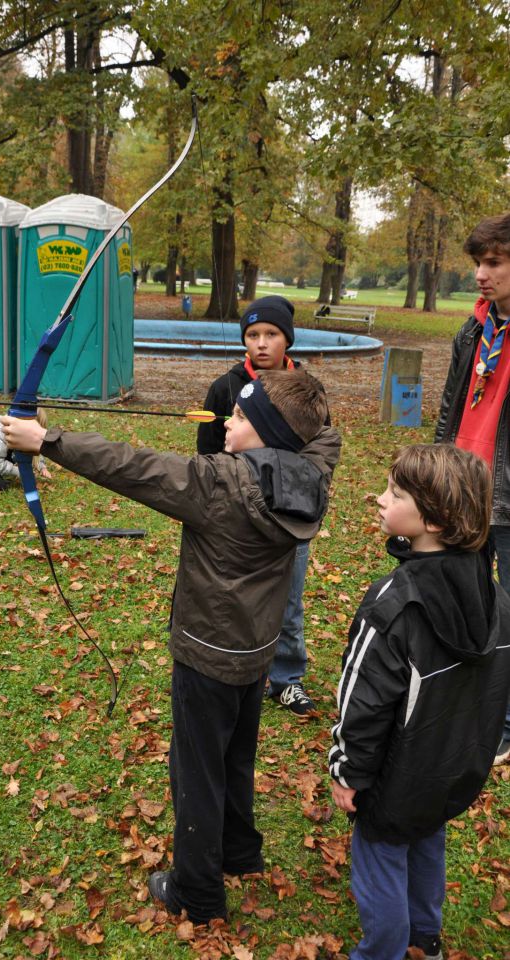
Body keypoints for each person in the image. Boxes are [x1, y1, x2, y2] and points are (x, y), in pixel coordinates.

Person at [1, 368, 341, 924]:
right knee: (235, 757)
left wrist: (48, 440)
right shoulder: (313, 470)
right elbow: (322, 435)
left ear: (266, 434)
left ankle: (198, 893)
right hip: (255, 650)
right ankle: (239, 852)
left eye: (239, 416)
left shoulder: (221, 484)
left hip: (207, 653)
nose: (227, 422)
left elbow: (136, 468)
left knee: (197, 772)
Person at [329, 444, 510, 960]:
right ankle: (424, 938)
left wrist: (348, 773)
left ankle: (381, 950)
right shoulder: (497, 601)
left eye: (395, 492)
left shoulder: (392, 604)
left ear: (434, 518)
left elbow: (362, 702)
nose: (379, 499)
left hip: (395, 781)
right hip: (455, 771)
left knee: (381, 858)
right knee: (427, 838)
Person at [197, 295, 325, 716]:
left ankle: (286, 677)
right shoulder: (225, 388)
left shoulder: (307, 389)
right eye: (253, 335)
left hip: (288, 514)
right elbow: (208, 454)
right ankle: (238, 666)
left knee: (289, 596)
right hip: (237, 512)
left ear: (287, 338)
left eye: (271, 334)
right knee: (235, 594)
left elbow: (317, 450)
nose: (262, 343)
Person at [435, 212, 510, 765]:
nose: (481, 275)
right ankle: (472, 704)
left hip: (508, 500)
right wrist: (437, 472)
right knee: (469, 601)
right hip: (465, 494)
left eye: (494, 263)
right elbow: (449, 407)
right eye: (478, 263)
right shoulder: (473, 329)